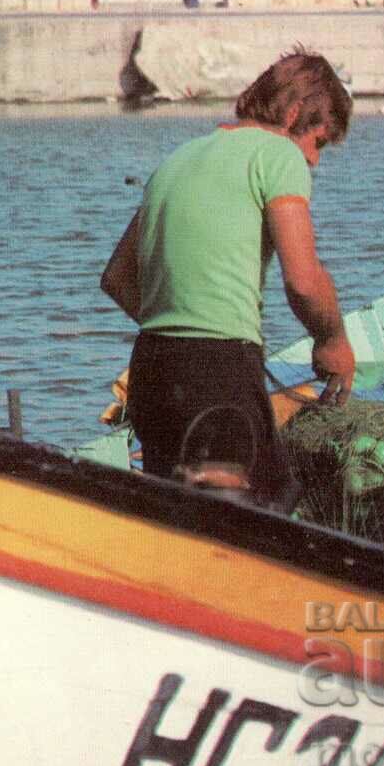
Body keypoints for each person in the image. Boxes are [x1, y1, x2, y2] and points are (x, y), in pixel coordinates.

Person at [100, 49, 355, 510]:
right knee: (259, 517)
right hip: (218, 373)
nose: (315, 160)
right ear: (295, 112)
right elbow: (303, 279)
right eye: (318, 141)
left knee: (176, 514)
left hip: (153, 370)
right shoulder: (278, 156)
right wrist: (332, 340)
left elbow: (118, 278)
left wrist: (187, 320)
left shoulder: (181, 157)